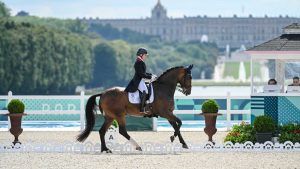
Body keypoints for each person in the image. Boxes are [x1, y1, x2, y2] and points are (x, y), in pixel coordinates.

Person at [125, 48, 155, 114]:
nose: (146, 56)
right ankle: (142, 108)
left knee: (147, 89)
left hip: (140, 79)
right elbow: (141, 74)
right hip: (138, 81)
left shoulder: (140, 61)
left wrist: (151, 75)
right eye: (145, 55)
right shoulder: (139, 62)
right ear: (141, 55)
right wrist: (150, 77)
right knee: (145, 91)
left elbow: (143, 73)